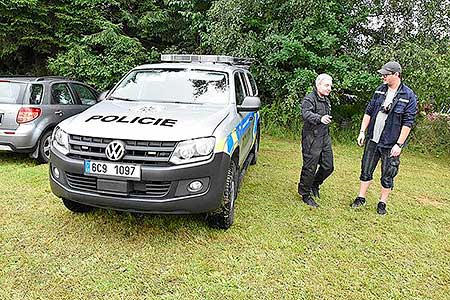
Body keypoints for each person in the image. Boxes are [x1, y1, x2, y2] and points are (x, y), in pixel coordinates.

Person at [351, 61, 418, 214]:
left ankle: (382, 203)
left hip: (391, 144)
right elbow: (368, 111)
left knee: (388, 173)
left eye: (386, 75)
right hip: (373, 140)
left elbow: (408, 123)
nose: (383, 77)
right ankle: (361, 197)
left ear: (396, 75)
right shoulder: (380, 91)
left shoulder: (408, 96)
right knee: (366, 168)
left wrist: (399, 144)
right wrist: (362, 131)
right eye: (382, 74)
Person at [298, 74, 334, 208]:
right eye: (326, 85)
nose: (329, 88)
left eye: (330, 86)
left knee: (328, 166)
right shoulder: (310, 99)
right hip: (311, 137)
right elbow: (305, 113)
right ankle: (305, 194)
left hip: (324, 136)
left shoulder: (326, 100)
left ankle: (315, 184)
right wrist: (320, 118)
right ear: (318, 85)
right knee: (310, 166)